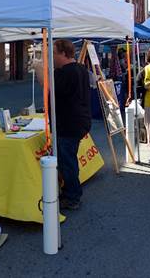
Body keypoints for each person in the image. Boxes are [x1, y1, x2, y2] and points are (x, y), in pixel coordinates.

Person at [53, 39, 91, 210]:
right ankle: (70, 192)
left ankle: (73, 196)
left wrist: (41, 69)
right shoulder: (80, 68)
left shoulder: (66, 72)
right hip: (77, 122)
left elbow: (50, 89)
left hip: (69, 124)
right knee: (68, 159)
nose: (52, 57)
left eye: (54, 53)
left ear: (63, 53)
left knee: (67, 161)